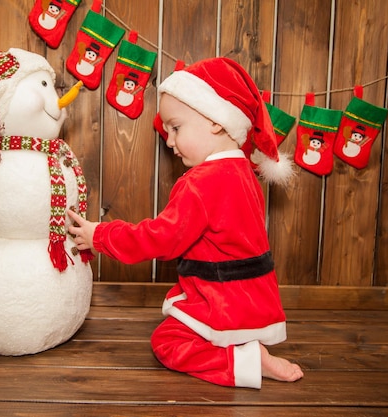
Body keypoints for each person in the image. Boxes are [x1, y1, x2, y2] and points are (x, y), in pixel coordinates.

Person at [67, 57, 303, 389]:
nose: (169, 141)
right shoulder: (244, 174)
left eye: (176, 127)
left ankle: (244, 360)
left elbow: (161, 239)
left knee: (167, 342)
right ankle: (246, 346)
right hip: (253, 298)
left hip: (221, 300)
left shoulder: (202, 181)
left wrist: (101, 235)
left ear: (216, 122)